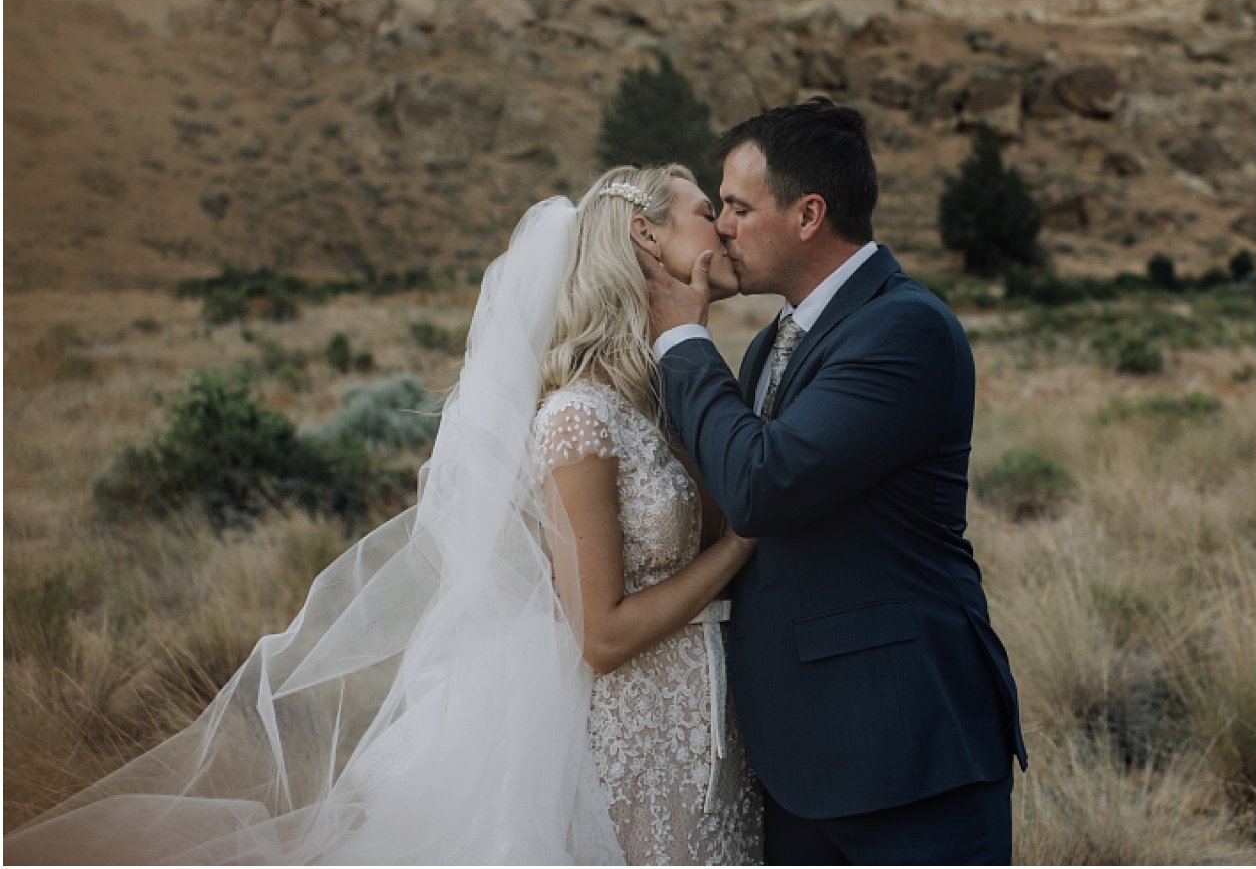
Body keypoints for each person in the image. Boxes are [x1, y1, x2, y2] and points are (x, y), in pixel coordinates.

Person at [6, 165, 762, 865]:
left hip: (710, 731)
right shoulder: (578, 416)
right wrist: (738, 549)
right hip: (633, 744)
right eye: (708, 210)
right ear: (645, 235)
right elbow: (600, 636)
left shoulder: (668, 395)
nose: (726, 227)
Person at [639, 97, 1028, 865]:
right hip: (799, 758)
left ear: (809, 214)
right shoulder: (771, 344)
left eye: (739, 207)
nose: (722, 227)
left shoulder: (902, 328)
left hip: (903, 752)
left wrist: (680, 336)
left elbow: (761, 486)